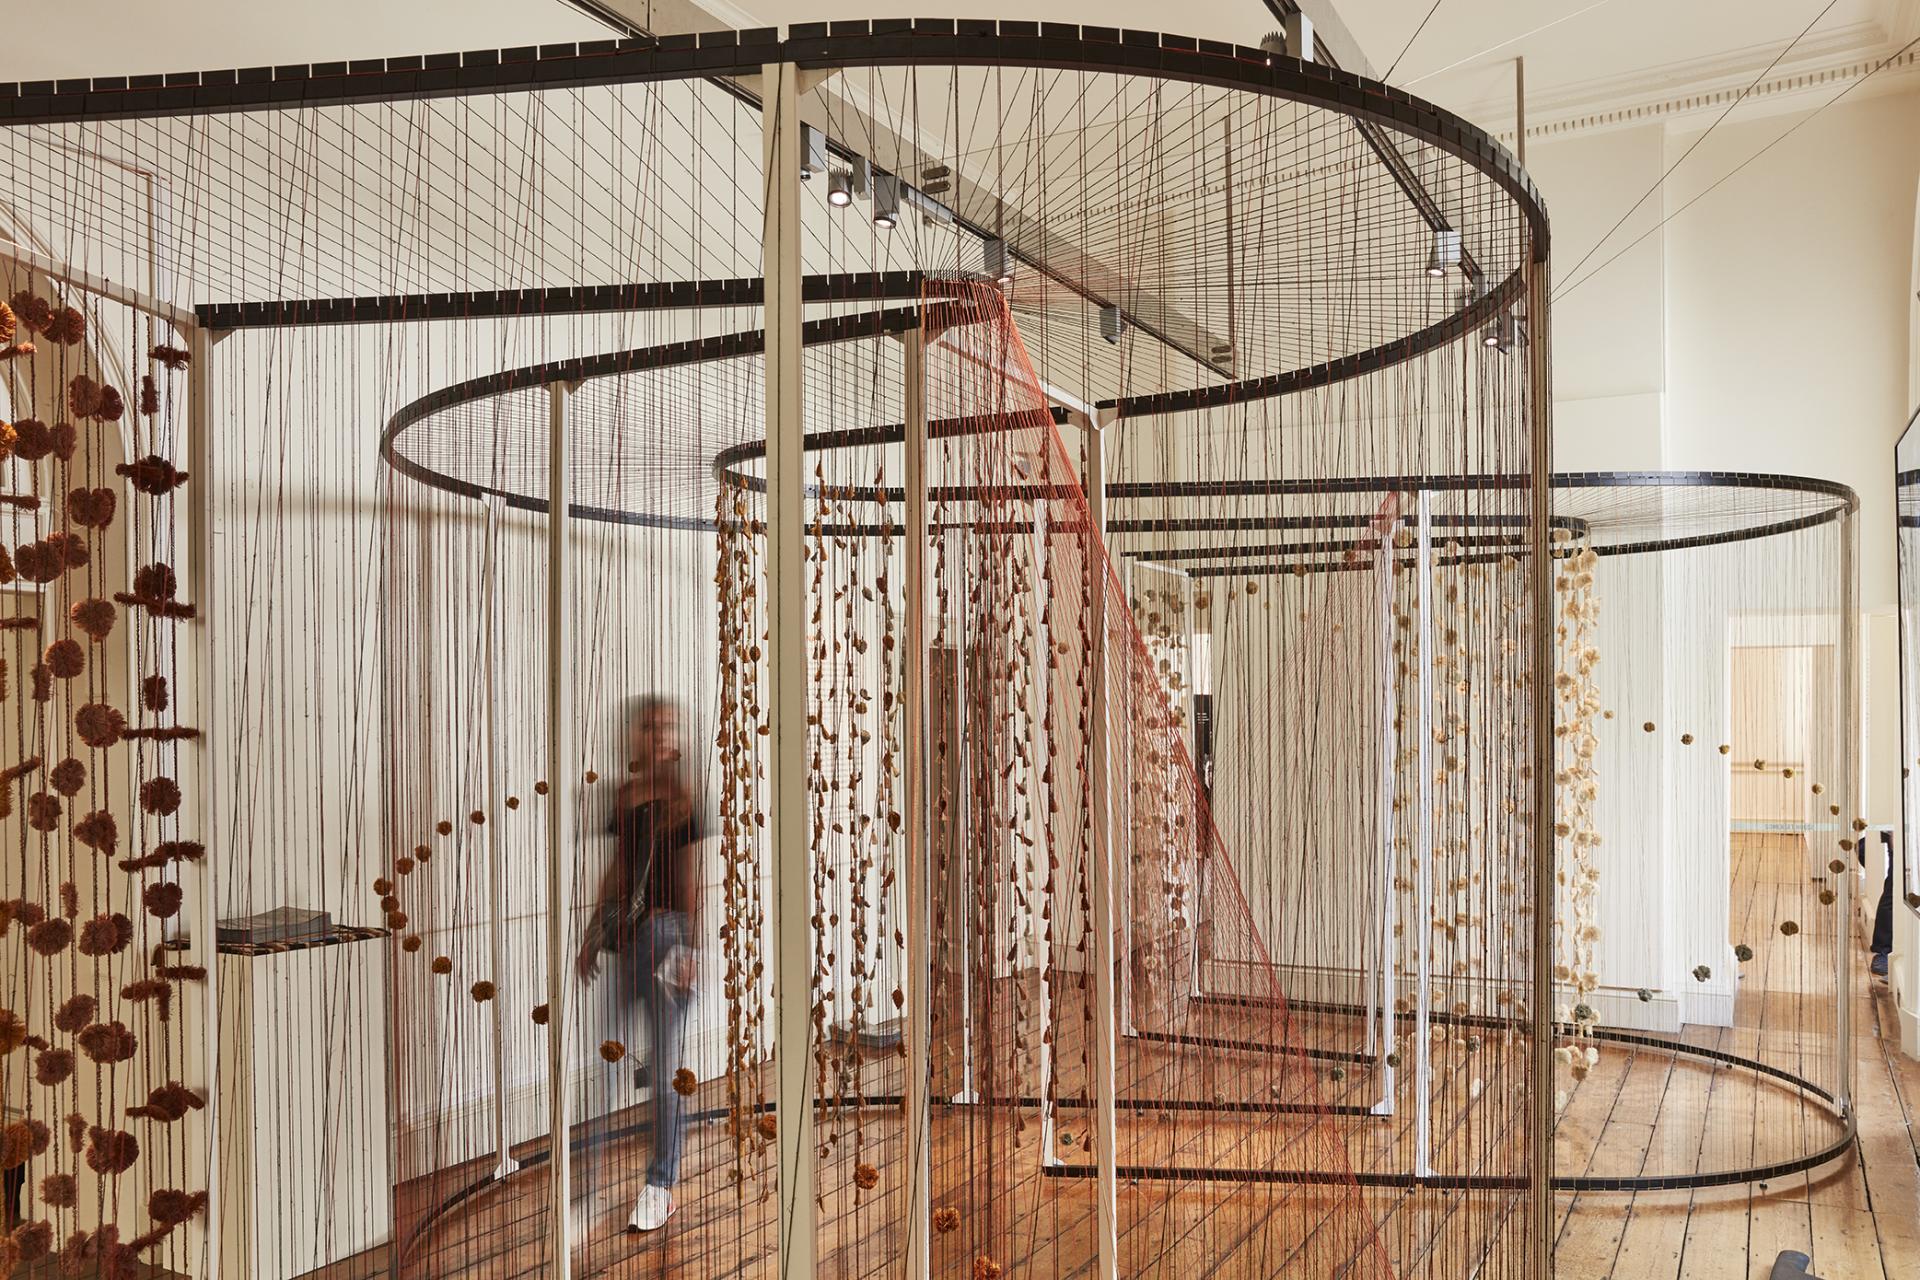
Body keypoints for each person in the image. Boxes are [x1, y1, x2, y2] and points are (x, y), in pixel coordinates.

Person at [577, 696, 703, 1232]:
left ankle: (661, 1184)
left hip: (667, 937)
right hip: (629, 942)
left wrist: (691, 949)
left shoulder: (681, 798)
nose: (655, 736)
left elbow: (689, 875)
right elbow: (616, 871)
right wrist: (590, 934)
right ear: (634, 735)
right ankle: (586, 1188)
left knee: (665, 1068)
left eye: (664, 728)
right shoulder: (625, 796)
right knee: (607, 1060)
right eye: (648, 727)